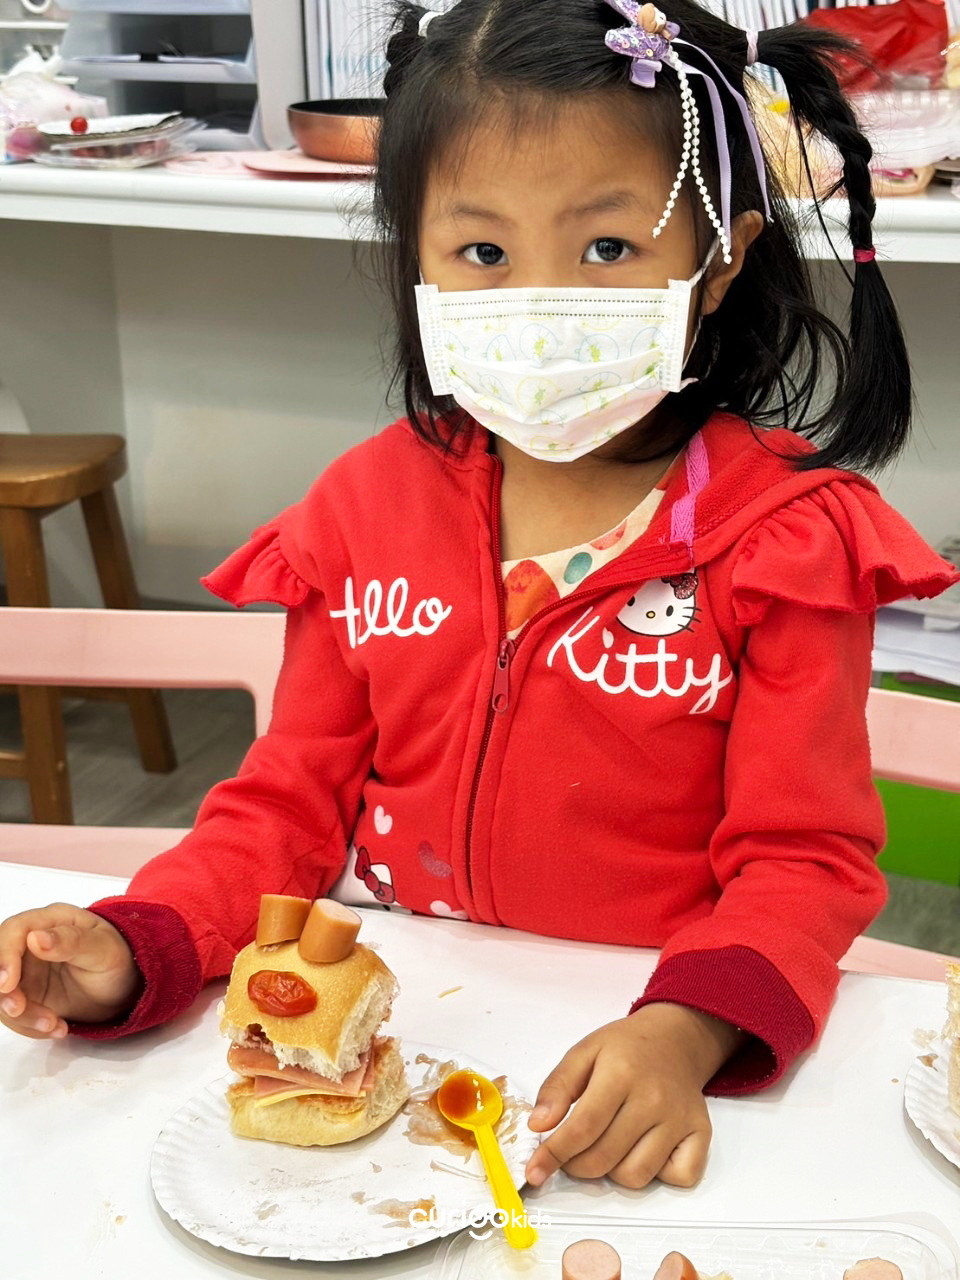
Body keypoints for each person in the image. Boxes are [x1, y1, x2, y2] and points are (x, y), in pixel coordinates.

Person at [0, 0, 955, 1194]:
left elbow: (803, 858)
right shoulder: (361, 510)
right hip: (407, 1043)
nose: (540, 296)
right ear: (418, 259)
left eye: (608, 247)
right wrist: (144, 939)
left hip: (636, 1052)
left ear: (720, 262)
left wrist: (691, 1027)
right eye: (484, 253)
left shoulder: (786, 543)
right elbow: (287, 805)